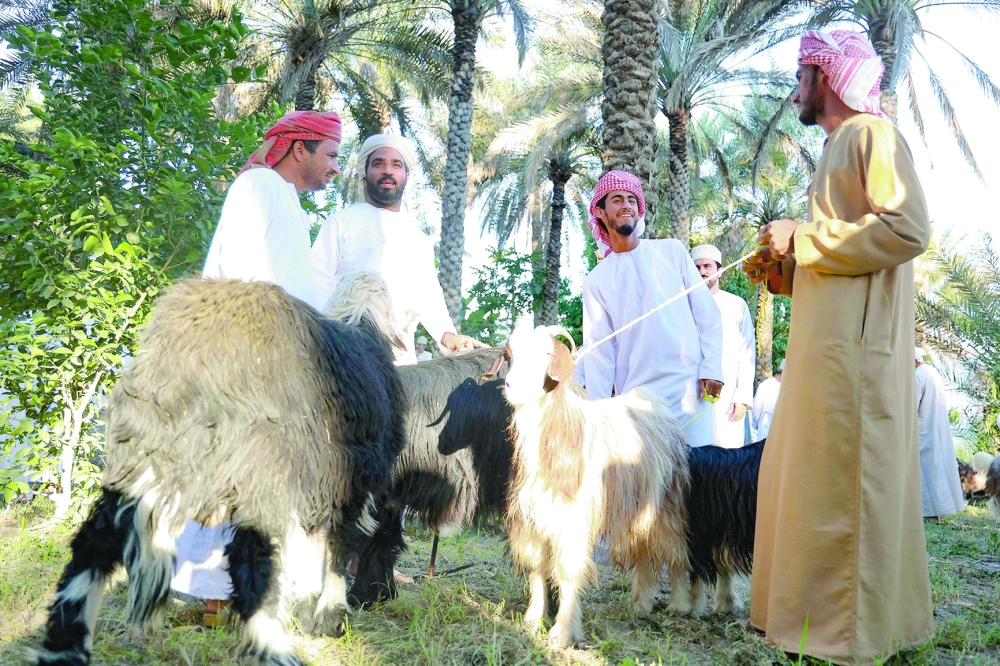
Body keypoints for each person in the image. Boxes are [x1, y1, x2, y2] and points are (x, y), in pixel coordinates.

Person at [743, 30, 933, 664]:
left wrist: (806, 237)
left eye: (802, 73)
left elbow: (907, 228)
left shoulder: (870, 135)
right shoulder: (838, 145)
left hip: (855, 359)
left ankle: (847, 634)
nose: (795, 85)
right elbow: (843, 258)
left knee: (845, 489)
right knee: (810, 485)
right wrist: (786, 271)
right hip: (826, 356)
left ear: (827, 77)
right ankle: (809, 624)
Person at [175, 111, 343, 620]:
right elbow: (247, 272)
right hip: (243, 356)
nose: (335, 167)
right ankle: (210, 597)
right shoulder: (258, 184)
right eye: (330, 154)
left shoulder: (284, 197)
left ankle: (240, 593)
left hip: (273, 358)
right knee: (229, 475)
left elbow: (297, 290)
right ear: (299, 149)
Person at [577, 170, 723, 448]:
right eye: (617, 200)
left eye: (632, 199)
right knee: (649, 489)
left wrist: (713, 367)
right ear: (600, 211)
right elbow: (599, 353)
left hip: (689, 391)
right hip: (638, 403)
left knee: (699, 480)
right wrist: (599, 415)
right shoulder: (596, 281)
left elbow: (709, 316)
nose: (626, 206)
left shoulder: (673, 251)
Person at [311, 133, 482, 365]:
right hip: (345, 354)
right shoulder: (340, 223)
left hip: (401, 361)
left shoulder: (418, 240)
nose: (387, 171)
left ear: (406, 176)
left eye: (396, 165)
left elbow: (429, 297)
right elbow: (316, 283)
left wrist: (447, 335)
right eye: (378, 163)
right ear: (365, 174)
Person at [691, 244, 755, 448]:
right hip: (691, 394)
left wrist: (743, 397)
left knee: (727, 459)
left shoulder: (736, 305)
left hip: (728, 397)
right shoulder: (683, 305)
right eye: (697, 267)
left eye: (707, 266)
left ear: (719, 271)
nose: (702, 272)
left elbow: (747, 353)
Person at [915, 348, 965, 520]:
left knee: (924, 472)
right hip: (935, 428)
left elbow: (910, 407)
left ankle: (928, 514)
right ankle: (934, 512)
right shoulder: (932, 371)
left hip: (922, 431)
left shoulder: (917, 376)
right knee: (935, 471)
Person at [751, 359, 783, 441]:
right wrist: (755, 424)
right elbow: (757, 408)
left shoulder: (788, 388)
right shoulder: (766, 385)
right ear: (783, 372)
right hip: (766, 429)